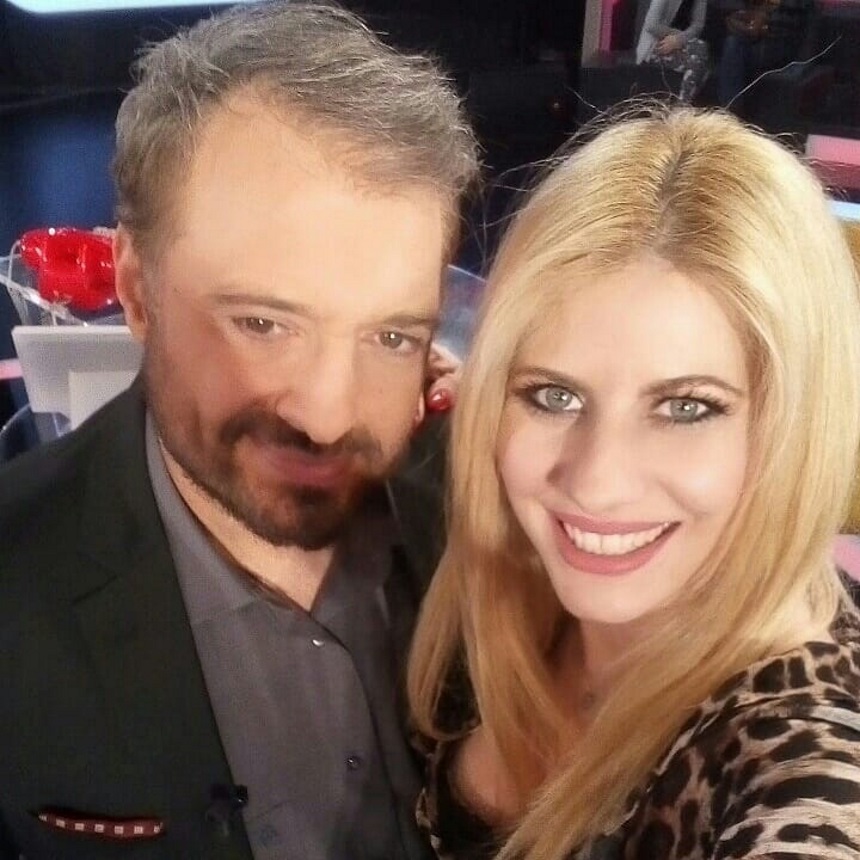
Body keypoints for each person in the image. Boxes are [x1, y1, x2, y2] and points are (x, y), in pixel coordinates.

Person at [0, 2, 479, 858]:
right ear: (137, 290)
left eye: (390, 337)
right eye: (263, 324)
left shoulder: (512, 520)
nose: (328, 415)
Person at [408, 106, 860, 860]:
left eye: (686, 408)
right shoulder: (497, 586)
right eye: (554, 395)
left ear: (796, 426)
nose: (597, 483)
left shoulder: (809, 752)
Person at [716, 0, 812, 109]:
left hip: (780, 45)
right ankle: (731, 105)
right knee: (732, 43)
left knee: (733, 46)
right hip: (756, 40)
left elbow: (757, 30)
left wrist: (755, 23)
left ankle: (731, 108)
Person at [635, 0, 710, 102]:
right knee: (700, 60)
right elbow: (651, 25)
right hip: (656, 43)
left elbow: (698, 25)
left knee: (700, 54)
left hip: (683, 42)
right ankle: (684, 103)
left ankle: (683, 103)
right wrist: (676, 37)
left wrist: (679, 39)